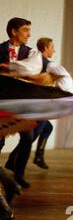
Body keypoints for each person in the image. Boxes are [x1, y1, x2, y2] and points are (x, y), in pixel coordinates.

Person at [0, 18, 37, 189]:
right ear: (14, 31)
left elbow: (32, 71)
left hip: (21, 102)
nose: (28, 34)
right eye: (25, 30)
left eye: (29, 30)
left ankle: (18, 174)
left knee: (28, 137)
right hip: (2, 101)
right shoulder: (0, 49)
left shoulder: (31, 53)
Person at [31, 37, 73, 169]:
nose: (54, 50)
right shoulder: (47, 64)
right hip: (40, 103)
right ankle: (13, 160)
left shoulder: (42, 63)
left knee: (47, 128)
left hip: (43, 101)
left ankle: (38, 157)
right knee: (32, 135)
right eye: (52, 47)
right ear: (45, 48)